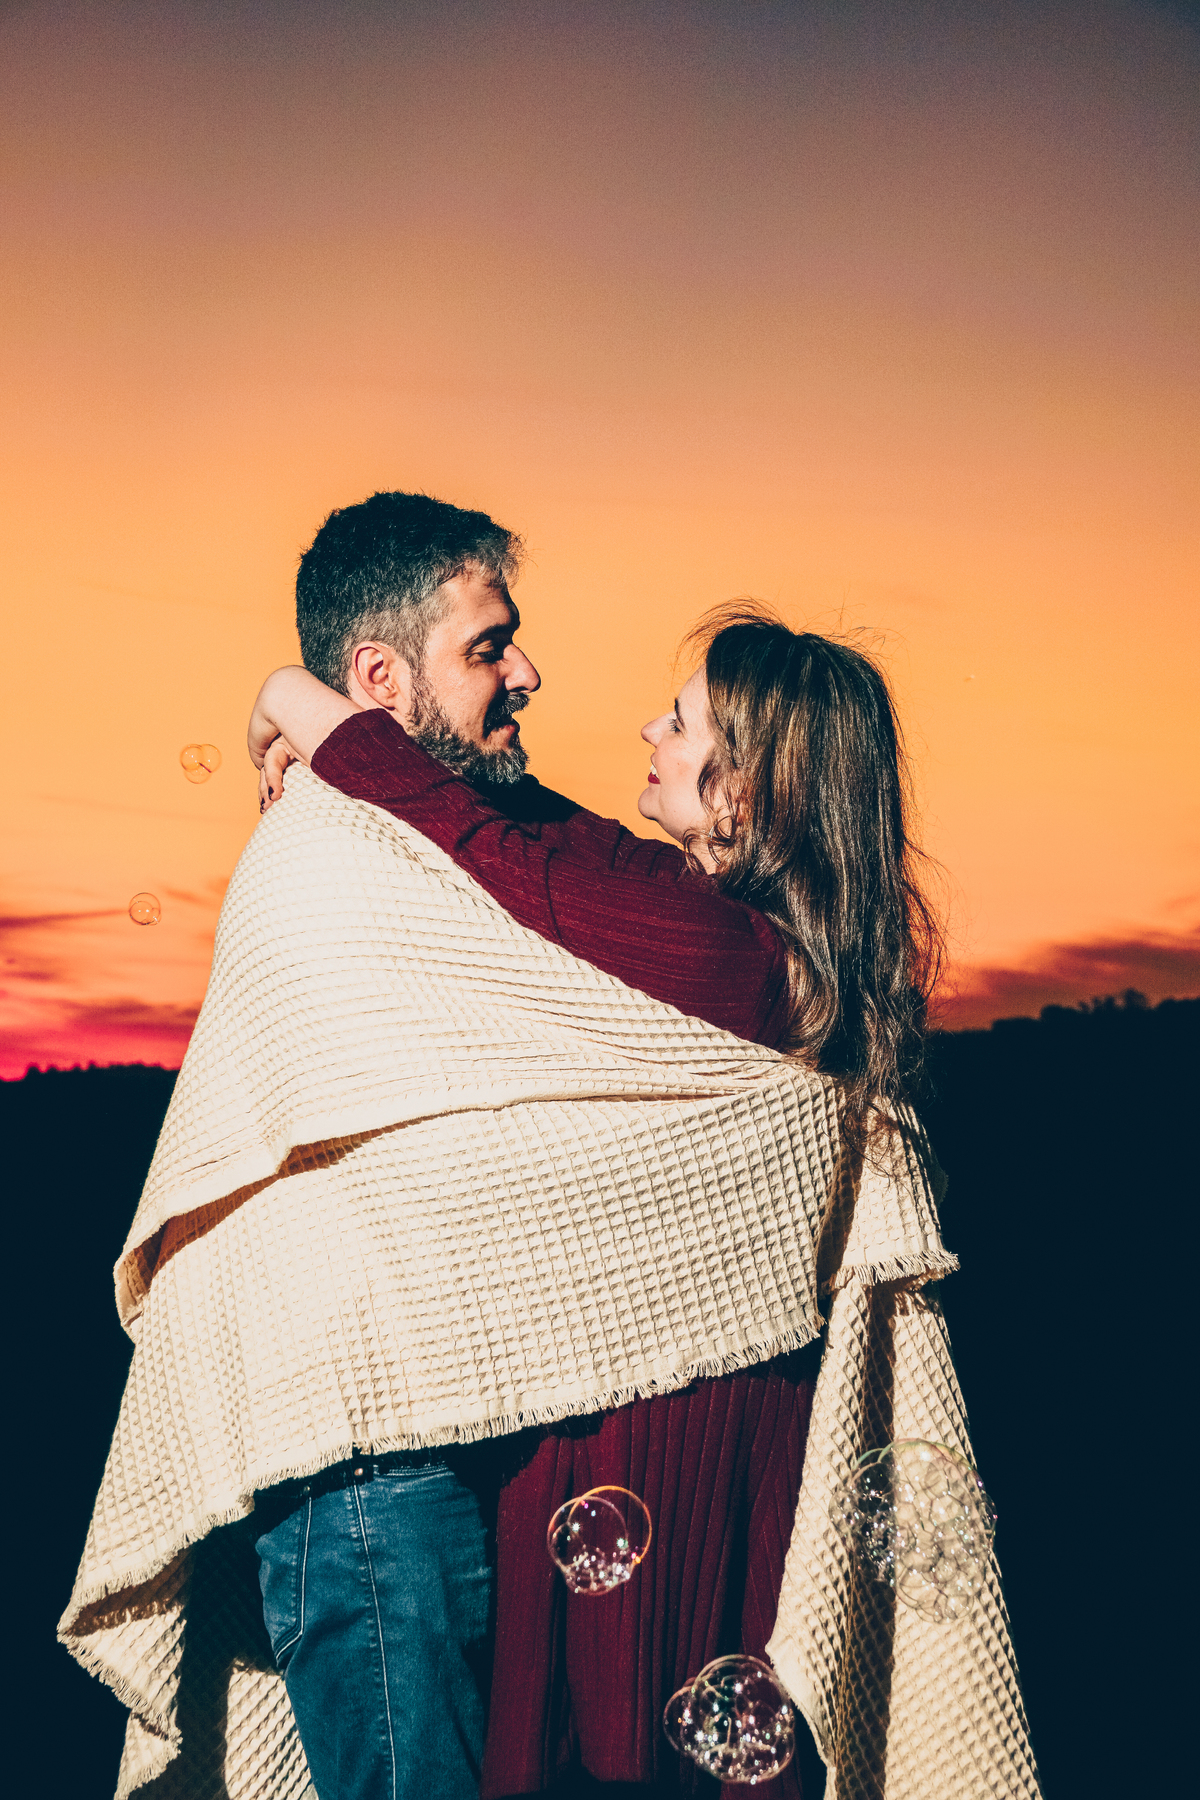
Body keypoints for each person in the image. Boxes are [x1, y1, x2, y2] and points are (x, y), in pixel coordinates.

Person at [248, 496, 940, 1798]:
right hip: (639, 1452)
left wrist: (293, 693)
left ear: (746, 790)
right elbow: (555, 848)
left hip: (659, 1470)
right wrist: (338, 734)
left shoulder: (726, 955)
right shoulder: (726, 930)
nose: (642, 727)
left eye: (679, 727)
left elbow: (506, 857)